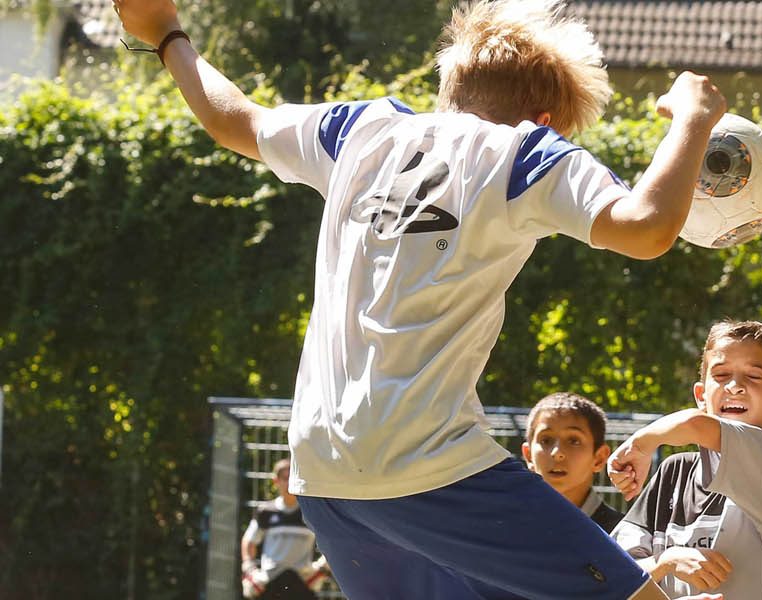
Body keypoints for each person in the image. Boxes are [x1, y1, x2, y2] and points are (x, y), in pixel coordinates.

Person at [114, 0, 727, 597]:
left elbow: (234, 120)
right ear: (544, 121)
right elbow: (647, 227)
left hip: (324, 477)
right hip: (433, 468)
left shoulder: (361, 129)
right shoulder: (525, 154)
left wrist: (165, 31)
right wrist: (693, 119)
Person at [609, 320, 762, 600]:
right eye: (722, 374)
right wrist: (667, 561)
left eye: (754, 376)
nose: (735, 387)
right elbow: (615, 574)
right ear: (701, 395)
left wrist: (641, 445)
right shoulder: (673, 471)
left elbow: (694, 424)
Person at [521, 392, 625, 533]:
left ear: (599, 458)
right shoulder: (505, 527)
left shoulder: (620, 536)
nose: (557, 453)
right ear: (528, 455)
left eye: (574, 441)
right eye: (546, 440)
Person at [241, 459, 329, 600]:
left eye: (292, 478)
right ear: (276, 481)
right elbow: (249, 541)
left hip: (303, 583)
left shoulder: (311, 512)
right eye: (285, 478)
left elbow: (334, 539)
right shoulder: (265, 512)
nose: (289, 483)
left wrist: (322, 568)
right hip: (270, 583)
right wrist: (249, 569)